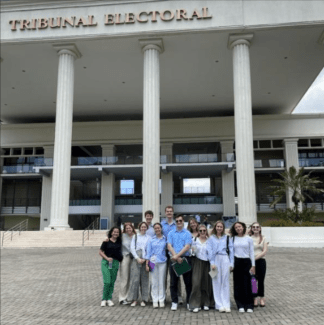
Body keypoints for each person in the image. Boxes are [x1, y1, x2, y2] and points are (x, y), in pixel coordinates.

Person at [167, 214, 192, 311]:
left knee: (188, 283)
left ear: (183, 221)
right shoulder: (171, 233)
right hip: (174, 260)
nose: (178, 222)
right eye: (177, 221)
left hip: (184, 260)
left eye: (180, 221)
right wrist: (176, 257)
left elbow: (187, 246)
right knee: (173, 282)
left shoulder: (187, 233)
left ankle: (189, 302)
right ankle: (174, 301)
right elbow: (169, 246)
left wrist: (178, 256)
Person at [207, 221, 234, 313]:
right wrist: (212, 262)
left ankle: (226, 304)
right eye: (218, 226)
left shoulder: (227, 238)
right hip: (215, 260)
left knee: (225, 282)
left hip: (225, 259)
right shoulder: (211, 238)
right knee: (216, 282)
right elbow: (210, 251)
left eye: (221, 227)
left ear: (223, 228)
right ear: (215, 227)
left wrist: (231, 264)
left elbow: (231, 251)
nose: (219, 228)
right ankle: (219, 305)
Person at [230, 222, 255, 313]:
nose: (238, 228)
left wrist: (253, 265)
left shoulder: (249, 238)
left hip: (246, 262)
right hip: (237, 262)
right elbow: (231, 253)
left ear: (243, 227)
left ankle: (249, 305)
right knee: (237, 284)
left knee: (248, 284)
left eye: (239, 226)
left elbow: (252, 252)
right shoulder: (232, 239)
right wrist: (231, 265)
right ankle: (240, 304)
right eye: (236, 227)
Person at [189, 224, 214, 313]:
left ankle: (206, 303)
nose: (202, 232)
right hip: (197, 262)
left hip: (207, 263)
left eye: (204, 231)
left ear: (206, 232)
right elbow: (192, 251)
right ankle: (196, 304)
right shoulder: (195, 240)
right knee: (196, 283)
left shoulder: (209, 240)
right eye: (201, 231)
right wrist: (192, 251)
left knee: (206, 283)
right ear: (198, 232)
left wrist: (213, 263)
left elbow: (212, 252)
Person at [161, 205, 183, 304]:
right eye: (167, 211)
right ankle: (163, 296)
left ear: (173, 213)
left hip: (175, 252)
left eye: (171, 211)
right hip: (164, 252)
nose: (169, 213)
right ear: (165, 213)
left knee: (176, 275)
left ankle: (179, 296)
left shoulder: (177, 223)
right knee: (163, 275)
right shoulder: (162, 224)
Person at [126, 221, 150, 307]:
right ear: (139, 227)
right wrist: (137, 258)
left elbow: (149, 249)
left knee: (145, 280)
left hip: (146, 259)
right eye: (142, 227)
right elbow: (132, 248)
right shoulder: (135, 236)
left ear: (147, 228)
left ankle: (144, 299)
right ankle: (134, 299)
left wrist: (145, 259)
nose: (143, 228)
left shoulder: (149, 237)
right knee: (135, 279)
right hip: (136, 259)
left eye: (145, 227)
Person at [99, 227, 123, 307]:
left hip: (115, 263)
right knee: (107, 281)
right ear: (111, 232)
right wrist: (107, 258)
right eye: (114, 232)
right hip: (106, 262)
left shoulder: (120, 241)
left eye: (117, 232)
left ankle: (109, 299)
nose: (116, 233)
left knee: (112, 282)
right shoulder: (106, 241)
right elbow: (100, 252)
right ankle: (104, 299)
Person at [145, 223, 168, 308]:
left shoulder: (165, 239)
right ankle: (155, 299)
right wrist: (147, 264)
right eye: (155, 228)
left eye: (158, 228)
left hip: (162, 262)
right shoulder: (151, 240)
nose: (157, 229)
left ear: (161, 229)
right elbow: (148, 253)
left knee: (161, 281)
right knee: (154, 282)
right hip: (152, 262)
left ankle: (161, 299)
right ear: (154, 229)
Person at [249, 222, 268, 307]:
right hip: (251, 263)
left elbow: (264, 251)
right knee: (253, 280)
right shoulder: (249, 238)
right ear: (251, 228)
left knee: (261, 280)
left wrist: (255, 258)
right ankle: (255, 298)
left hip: (261, 261)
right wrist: (252, 261)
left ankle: (262, 298)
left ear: (260, 228)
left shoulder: (263, 238)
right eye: (254, 227)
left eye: (257, 227)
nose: (256, 228)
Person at [119, 222, 136, 304]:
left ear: (132, 228)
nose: (128, 229)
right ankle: (122, 298)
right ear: (124, 229)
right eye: (127, 228)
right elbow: (112, 236)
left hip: (134, 258)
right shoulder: (122, 236)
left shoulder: (135, 236)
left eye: (130, 228)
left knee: (132, 278)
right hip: (125, 258)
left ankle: (130, 297)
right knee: (124, 278)